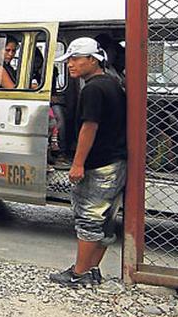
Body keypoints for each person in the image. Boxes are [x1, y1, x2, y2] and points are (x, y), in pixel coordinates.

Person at [49, 37, 127, 288]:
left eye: (74, 59)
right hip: (115, 161)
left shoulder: (92, 89)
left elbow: (89, 127)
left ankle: (79, 274)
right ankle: (91, 269)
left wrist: (78, 163)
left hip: (99, 163)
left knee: (88, 218)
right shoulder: (113, 83)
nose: (70, 64)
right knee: (105, 221)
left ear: (92, 60)